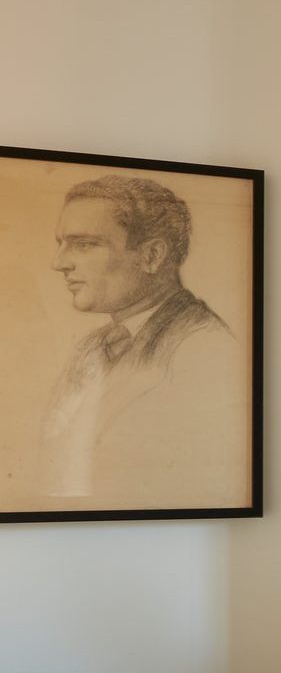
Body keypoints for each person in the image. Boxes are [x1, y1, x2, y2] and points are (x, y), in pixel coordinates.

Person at [42, 174, 243, 501]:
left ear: (151, 256)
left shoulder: (204, 347)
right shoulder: (90, 349)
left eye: (84, 244)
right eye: (62, 244)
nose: (59, 262)